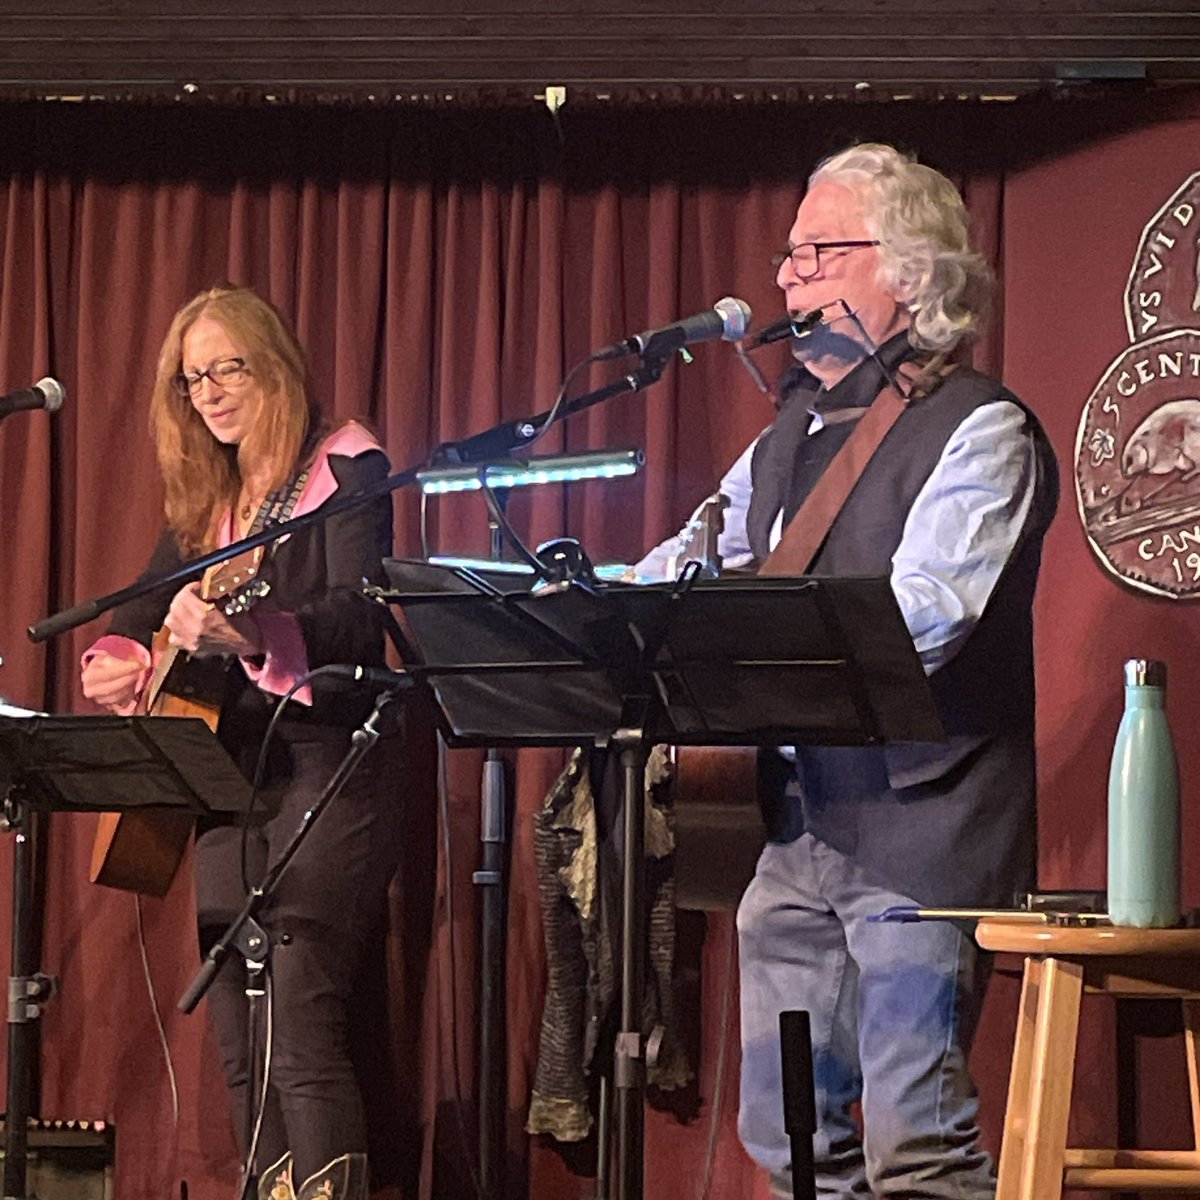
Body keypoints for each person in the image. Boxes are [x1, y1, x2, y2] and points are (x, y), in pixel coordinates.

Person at [638, 143, 1059, 1198]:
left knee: (914, 1142)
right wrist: (579, 601)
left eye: (819, 252)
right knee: (790, 1144)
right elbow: (682, 561)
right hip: (793, 842)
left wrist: (734, 632)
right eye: (789, 258)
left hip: (923, 845)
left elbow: (924, 621)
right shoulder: (785, 439)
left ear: (911, 273)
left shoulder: (981, 430)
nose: (786, 280)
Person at [80, 285, 402, 1200]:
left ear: (274, 365)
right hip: (231, 767)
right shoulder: (210, 494)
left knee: (299, 1009)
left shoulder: (347, 464)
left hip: (331, 761)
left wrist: (259, 636)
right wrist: (118, 659)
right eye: (192, 380)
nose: (212, 393)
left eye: (228, 368)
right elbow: (140, 609)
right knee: (234, 1012)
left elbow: (360, 617)